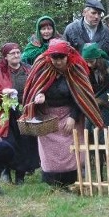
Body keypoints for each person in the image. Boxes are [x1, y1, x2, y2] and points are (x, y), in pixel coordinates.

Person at [22, 39, 104, 187]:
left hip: (69, 114)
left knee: (71, 149)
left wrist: (73, 116)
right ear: (49, 57)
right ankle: (50, 180)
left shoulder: (76, 68)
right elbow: (34, 88)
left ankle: (71, 179)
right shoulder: (42, 66)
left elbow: (81, 96)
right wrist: (39, 96)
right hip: (47, 116)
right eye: (55, 58)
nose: (58, 62)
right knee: (50, 150)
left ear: (68, 56)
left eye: (62, 58)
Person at [0, 43, 39, 185]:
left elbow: (38, 85)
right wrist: (1, 92)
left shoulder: (28, 70)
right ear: (6, 57)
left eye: (18, 52)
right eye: (12, 53)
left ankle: (20, 176)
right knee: (9, 143)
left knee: (24, 143)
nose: (16, 55)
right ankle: (5, 170)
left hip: (24, 111)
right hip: (6, 114)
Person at [81, 43, 109, 131]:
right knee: (92, 134)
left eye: (91, 61)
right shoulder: (84, 69)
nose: (89, 65)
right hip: (93, 107)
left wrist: (99, 100)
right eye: (86, 62)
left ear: (98, 59)